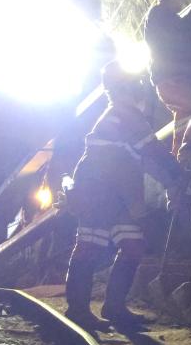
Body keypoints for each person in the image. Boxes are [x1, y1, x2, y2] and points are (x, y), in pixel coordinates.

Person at [64, 60, 184, 330]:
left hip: (116, 193)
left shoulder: (121, 113)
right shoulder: (124, 114)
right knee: (90, 245)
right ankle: (78, 310)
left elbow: (144, 159)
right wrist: (178, 175)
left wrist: (171, 180)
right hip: (97, 191)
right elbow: (152, 151)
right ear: (129, 86)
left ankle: (114, 308)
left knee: (132, 245)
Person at [142, 0, 191, 157]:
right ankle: (187, 151)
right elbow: (184, 40)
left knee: (184, 122)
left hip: (171, 84)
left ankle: (180, 162)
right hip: (176, 82)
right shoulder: (160, 16)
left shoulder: (163, 18)